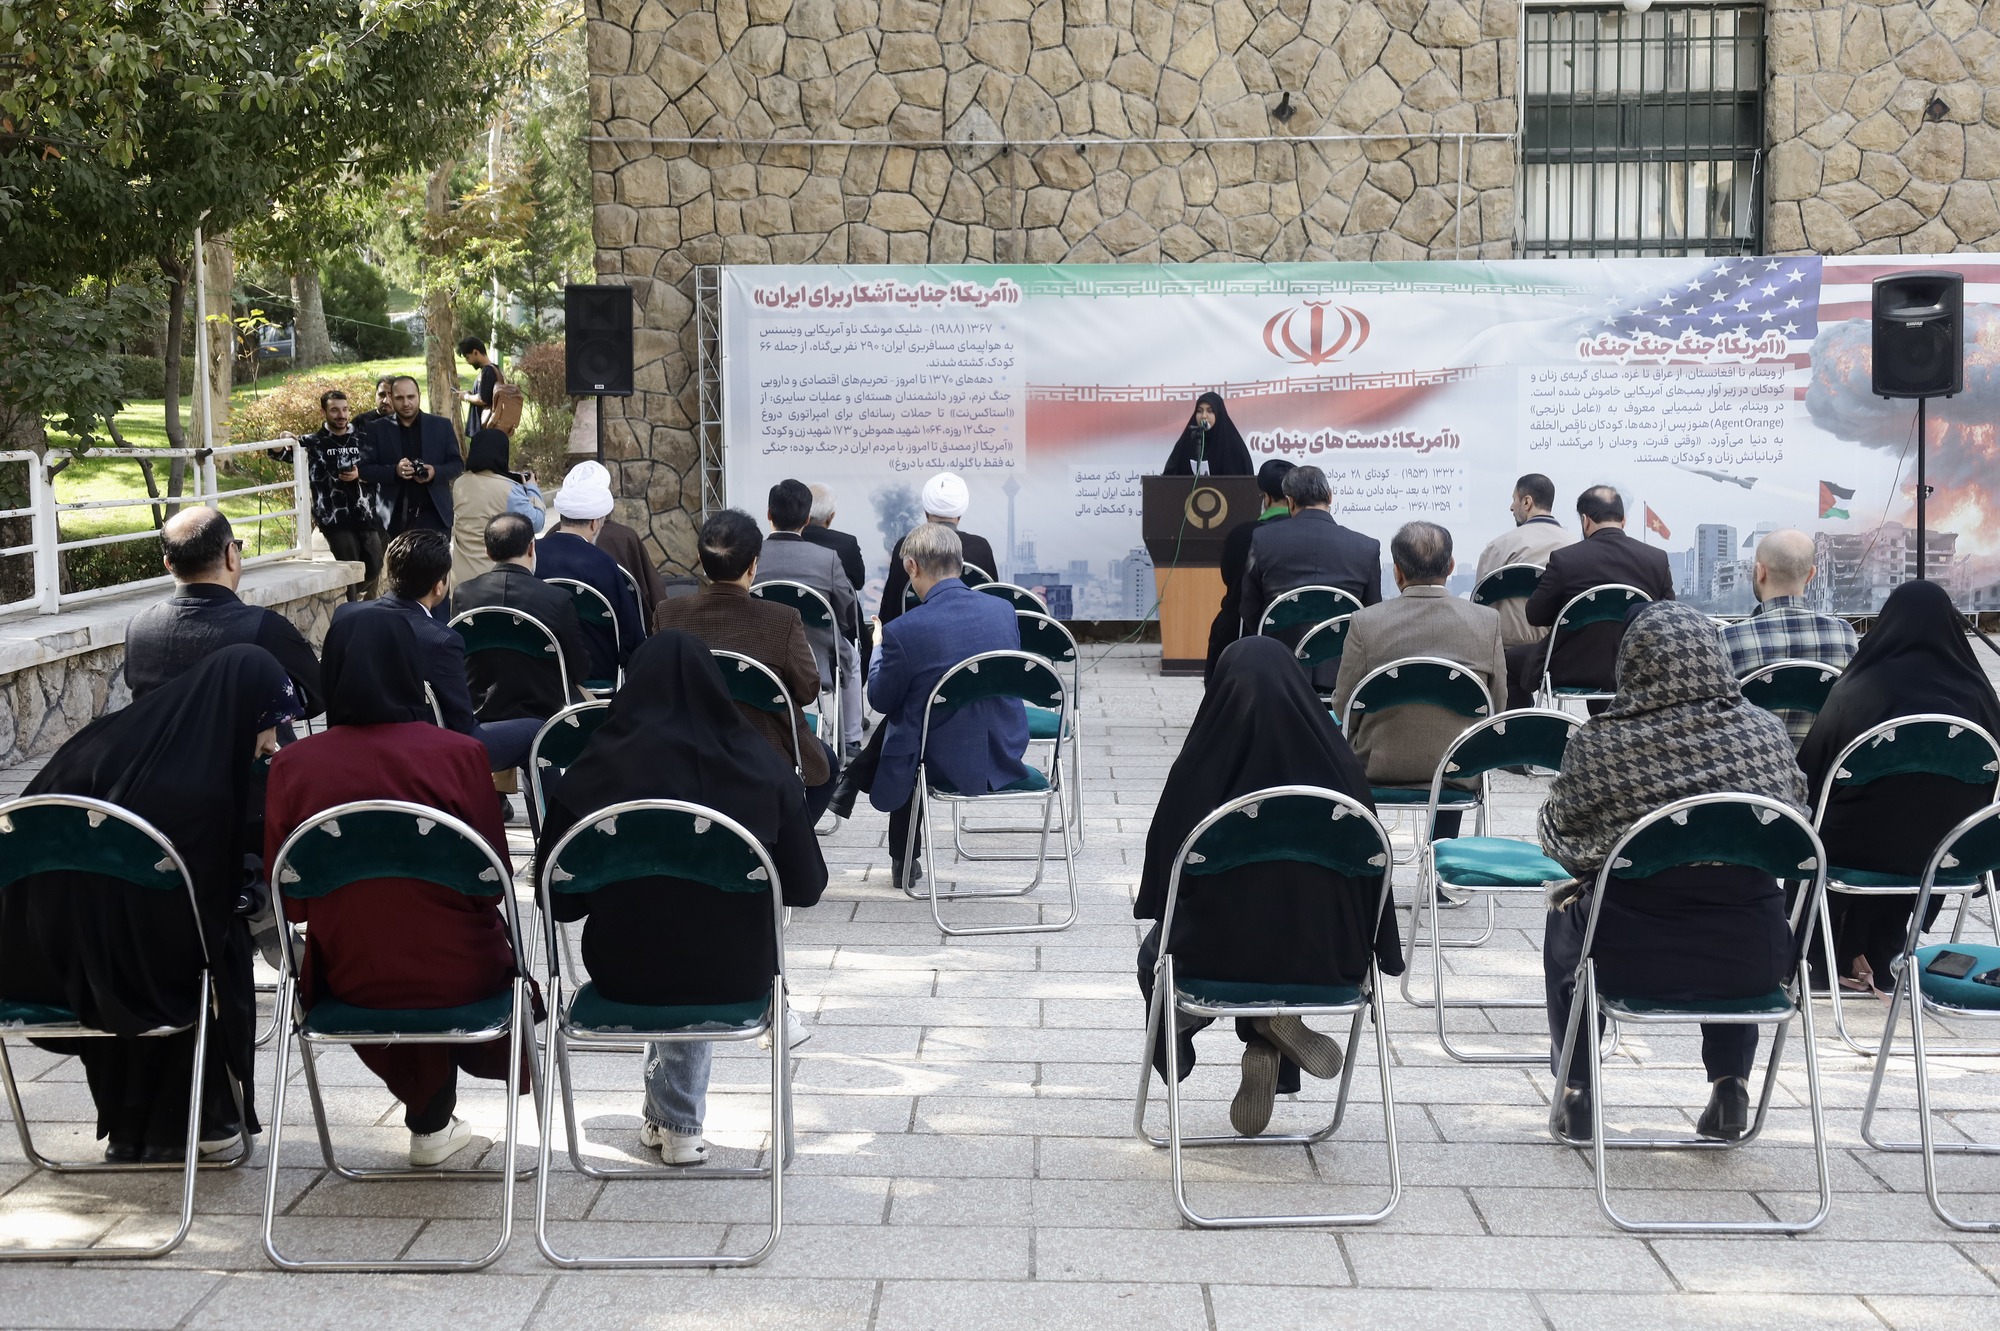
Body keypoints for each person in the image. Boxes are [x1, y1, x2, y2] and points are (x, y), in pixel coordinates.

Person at [536, 631, 828, 1165]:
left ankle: (672, 1123)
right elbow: (807, 887)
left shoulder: (589, 775)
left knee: (666, 936)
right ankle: (674, 1124)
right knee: (702, 934)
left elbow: (559, 900)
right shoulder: (762, 768)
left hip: (622, 974)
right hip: (736, 974)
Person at [265, 612, 534, 1167]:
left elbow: (289, 901)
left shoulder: (291, 766)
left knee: (382, 934)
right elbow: (492, 883)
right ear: (412, 670)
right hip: (463, 972)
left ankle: (430, 1119)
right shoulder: (460, 755)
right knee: (436, 933)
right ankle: (433, 1124)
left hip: (352, 977)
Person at [8, 646, 297, 1161]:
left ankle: (134, 1127)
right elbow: (200, 898)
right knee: (214, 937)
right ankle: (203, 1119)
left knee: (125, 919)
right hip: (135, 975)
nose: (273, 740)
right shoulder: (201, 787)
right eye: (270, 722)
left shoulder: (105, 736)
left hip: (41, 958)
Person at [1538, 602, 1807, 1144]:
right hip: (1752, 957)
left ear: (1631, 662)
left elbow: (1563, 842)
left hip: (1625, 956)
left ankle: (1577, 1090)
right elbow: (1796, 822)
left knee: (1565, 919)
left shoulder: (1602, 742)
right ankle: (1731, 1086)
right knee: (1736, 894)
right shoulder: (1766, 733)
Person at [1138, 636, 1400, 1136]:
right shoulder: (1342, 771)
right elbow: (1376, 882)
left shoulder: (1199, 768)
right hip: (1329, 963)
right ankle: (1269, 1033)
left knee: (1165, 952)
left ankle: (1183, 1039)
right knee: (1282, 930)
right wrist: (1381, 950)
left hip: (1212, 966)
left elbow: (1162, 885)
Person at [1799, 579, 2000, 995]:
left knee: (1841, 822)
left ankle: (1825, 955)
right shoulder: (1981, 697)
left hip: (1851, 851)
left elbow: (1810, 776)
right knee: (1914, 822)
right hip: (1945, 856)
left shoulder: (1857, 690)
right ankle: (1881, 946)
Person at [863, 521, 1030, 890]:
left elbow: (879, 699)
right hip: (1004, 748)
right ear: (960, 563)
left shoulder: (903, 630)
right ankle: (852, 787)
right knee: (919, 704)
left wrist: (877, 649)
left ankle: (900, 851)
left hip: (939, 759)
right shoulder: (1003, 611)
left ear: (911, 566)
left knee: (904, 718)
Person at [655, 510, 836, 822]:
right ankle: (792, 837)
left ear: (700, 560)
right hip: (764, 752)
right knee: (827, 766)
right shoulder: (782, 619)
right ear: (754, 565)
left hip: (685, 747)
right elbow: (807, 691)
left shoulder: (668, 613)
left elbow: (658, 685)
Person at [1331, 521, 1507, 833]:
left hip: (1378, 767)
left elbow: (1345, 706)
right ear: (1450, 566)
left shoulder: (1365, 623)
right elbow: (1496, 706)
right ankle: (1442, 845)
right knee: (1456, 750)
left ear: (1397, 572)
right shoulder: (1486, 622)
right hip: (1460, 769)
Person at [331, 529, 543, 775]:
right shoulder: (440, 640)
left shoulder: (345, 615)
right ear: (439, 586)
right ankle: (550, 802)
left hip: (349, 743)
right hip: (421, 753)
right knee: (539, 731)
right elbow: (462, 729)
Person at [124, 506, 325, 716]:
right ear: (231, 554)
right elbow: (318, 696)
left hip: (160, 739)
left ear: (168, 564)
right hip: (247, 739)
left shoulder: (139, 627)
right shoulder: (265, 628)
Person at [1508, 485, 1675, 712]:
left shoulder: (1565, 559)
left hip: (1571, 668)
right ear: (1623, 520)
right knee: (1610, 660)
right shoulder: (1657, 560)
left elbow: (1535, 615)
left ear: (1585, 521)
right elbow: (1669, 617)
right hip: (1634, 667)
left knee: (1509, 662)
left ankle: (1521, 731)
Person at [1718, 529, 1859, 746]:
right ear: (1811, 574)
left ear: (1760, 572)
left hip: (1752, 763)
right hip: (1820, 766)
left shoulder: (1728, 639)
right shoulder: (1844, 635)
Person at [450, 513, 590, 723]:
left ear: (488, 552)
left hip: (481, 712)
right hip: (547, 713)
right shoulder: (557, 599)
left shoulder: (464, 595)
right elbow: (580, 670)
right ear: (532, 548)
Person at [758, 479, 861, 752]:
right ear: (807, 519)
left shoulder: (752, 556)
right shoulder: (827, 559)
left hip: (760, 658)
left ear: (768, 514)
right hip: (818, 660)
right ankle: (850, 739)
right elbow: (846, 614)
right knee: (852, 657)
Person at [1240, 464, 1383, 647]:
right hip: (1343, 658)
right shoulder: (1366, 547)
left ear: (1290, 502)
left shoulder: (1263, 540)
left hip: (1281, 654)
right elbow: (1372, 615)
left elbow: (1249, 608)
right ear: (1330, 496)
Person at [537, 461, 644, 684]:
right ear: (595, 524)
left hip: (541, 667)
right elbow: (630, 635)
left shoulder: (533, 555)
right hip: (597, 671)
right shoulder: (603, 563)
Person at [1204, 458, 1294, 683]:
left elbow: (1230, 580)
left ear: (1266, 498)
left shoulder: (1242, 536)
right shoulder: (1313, 535)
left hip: (1246, 635)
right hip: (1302, 634)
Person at [289, 389, 385, 600]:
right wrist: (284, 440)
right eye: (334, 410)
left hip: (365, 514)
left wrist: (361, 474)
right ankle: (352, 607)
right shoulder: (312, 442)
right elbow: (283, 453)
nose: (341, 415)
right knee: (350, 567)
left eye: (345, 410)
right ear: (323, 412)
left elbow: (380, 468)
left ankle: (356, 595)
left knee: (375, 565)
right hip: (334, 517)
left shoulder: (364, 440)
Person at [878, 473, 1000, 626]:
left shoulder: (908, 545)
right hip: (974, 634)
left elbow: (891, 609)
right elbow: (992, 599)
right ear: (960, 512)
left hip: (916, 636)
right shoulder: (980, 548)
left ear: (926, 510)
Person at [1473, 473, 1573, 649]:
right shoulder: (1574, 547)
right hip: (1557, 651)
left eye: (1514, 500)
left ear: (1527, 502)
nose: (1511, 507)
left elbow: (1478, 605)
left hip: (1504, 652)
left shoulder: (1499, 547)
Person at [804, 482, 871, 735]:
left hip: (788, 632)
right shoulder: (846, 544)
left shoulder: (774, 547)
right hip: (833, 635)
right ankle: (849, 728)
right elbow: (859, 583)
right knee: (861, 645)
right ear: (830, 517)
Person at [360, 375, 463, 538]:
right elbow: (364, 470)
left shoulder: (441, 426)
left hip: (435, 515)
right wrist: (395, 471)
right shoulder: (376, 428)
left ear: (419, 396)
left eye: (411, 397)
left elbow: (457, 464)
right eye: (399, 398)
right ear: (391, 398)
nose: (406, 403)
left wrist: (434, 472)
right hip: (394, 519)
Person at [450, 428, 545, 586]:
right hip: (494, 580)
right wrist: (532, 489)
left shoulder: (459, 484)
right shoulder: (509, 489)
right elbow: (536, 523)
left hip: (460, 579)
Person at [593, 514, 667, 634]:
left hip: (570, 636)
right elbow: (654, 589)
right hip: (626, 631)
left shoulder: (558, 537)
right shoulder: (625, 536)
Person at [1160, 391, 1253, 477]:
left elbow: (1243, 483)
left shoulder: (1233, 445)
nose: (1204, 416)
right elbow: (1169, 478)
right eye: (1199, 411)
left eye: (1210, 411)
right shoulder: (1187, 441)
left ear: (1218, 414)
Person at [455, 337, 500, 435]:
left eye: (467, 357)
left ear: (475, 352)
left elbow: (482, 399)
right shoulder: (493, 369)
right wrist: (471, 394)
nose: (468, 362)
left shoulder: (487, 371)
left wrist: (466, 396)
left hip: (483, 430)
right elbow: (487, 394)